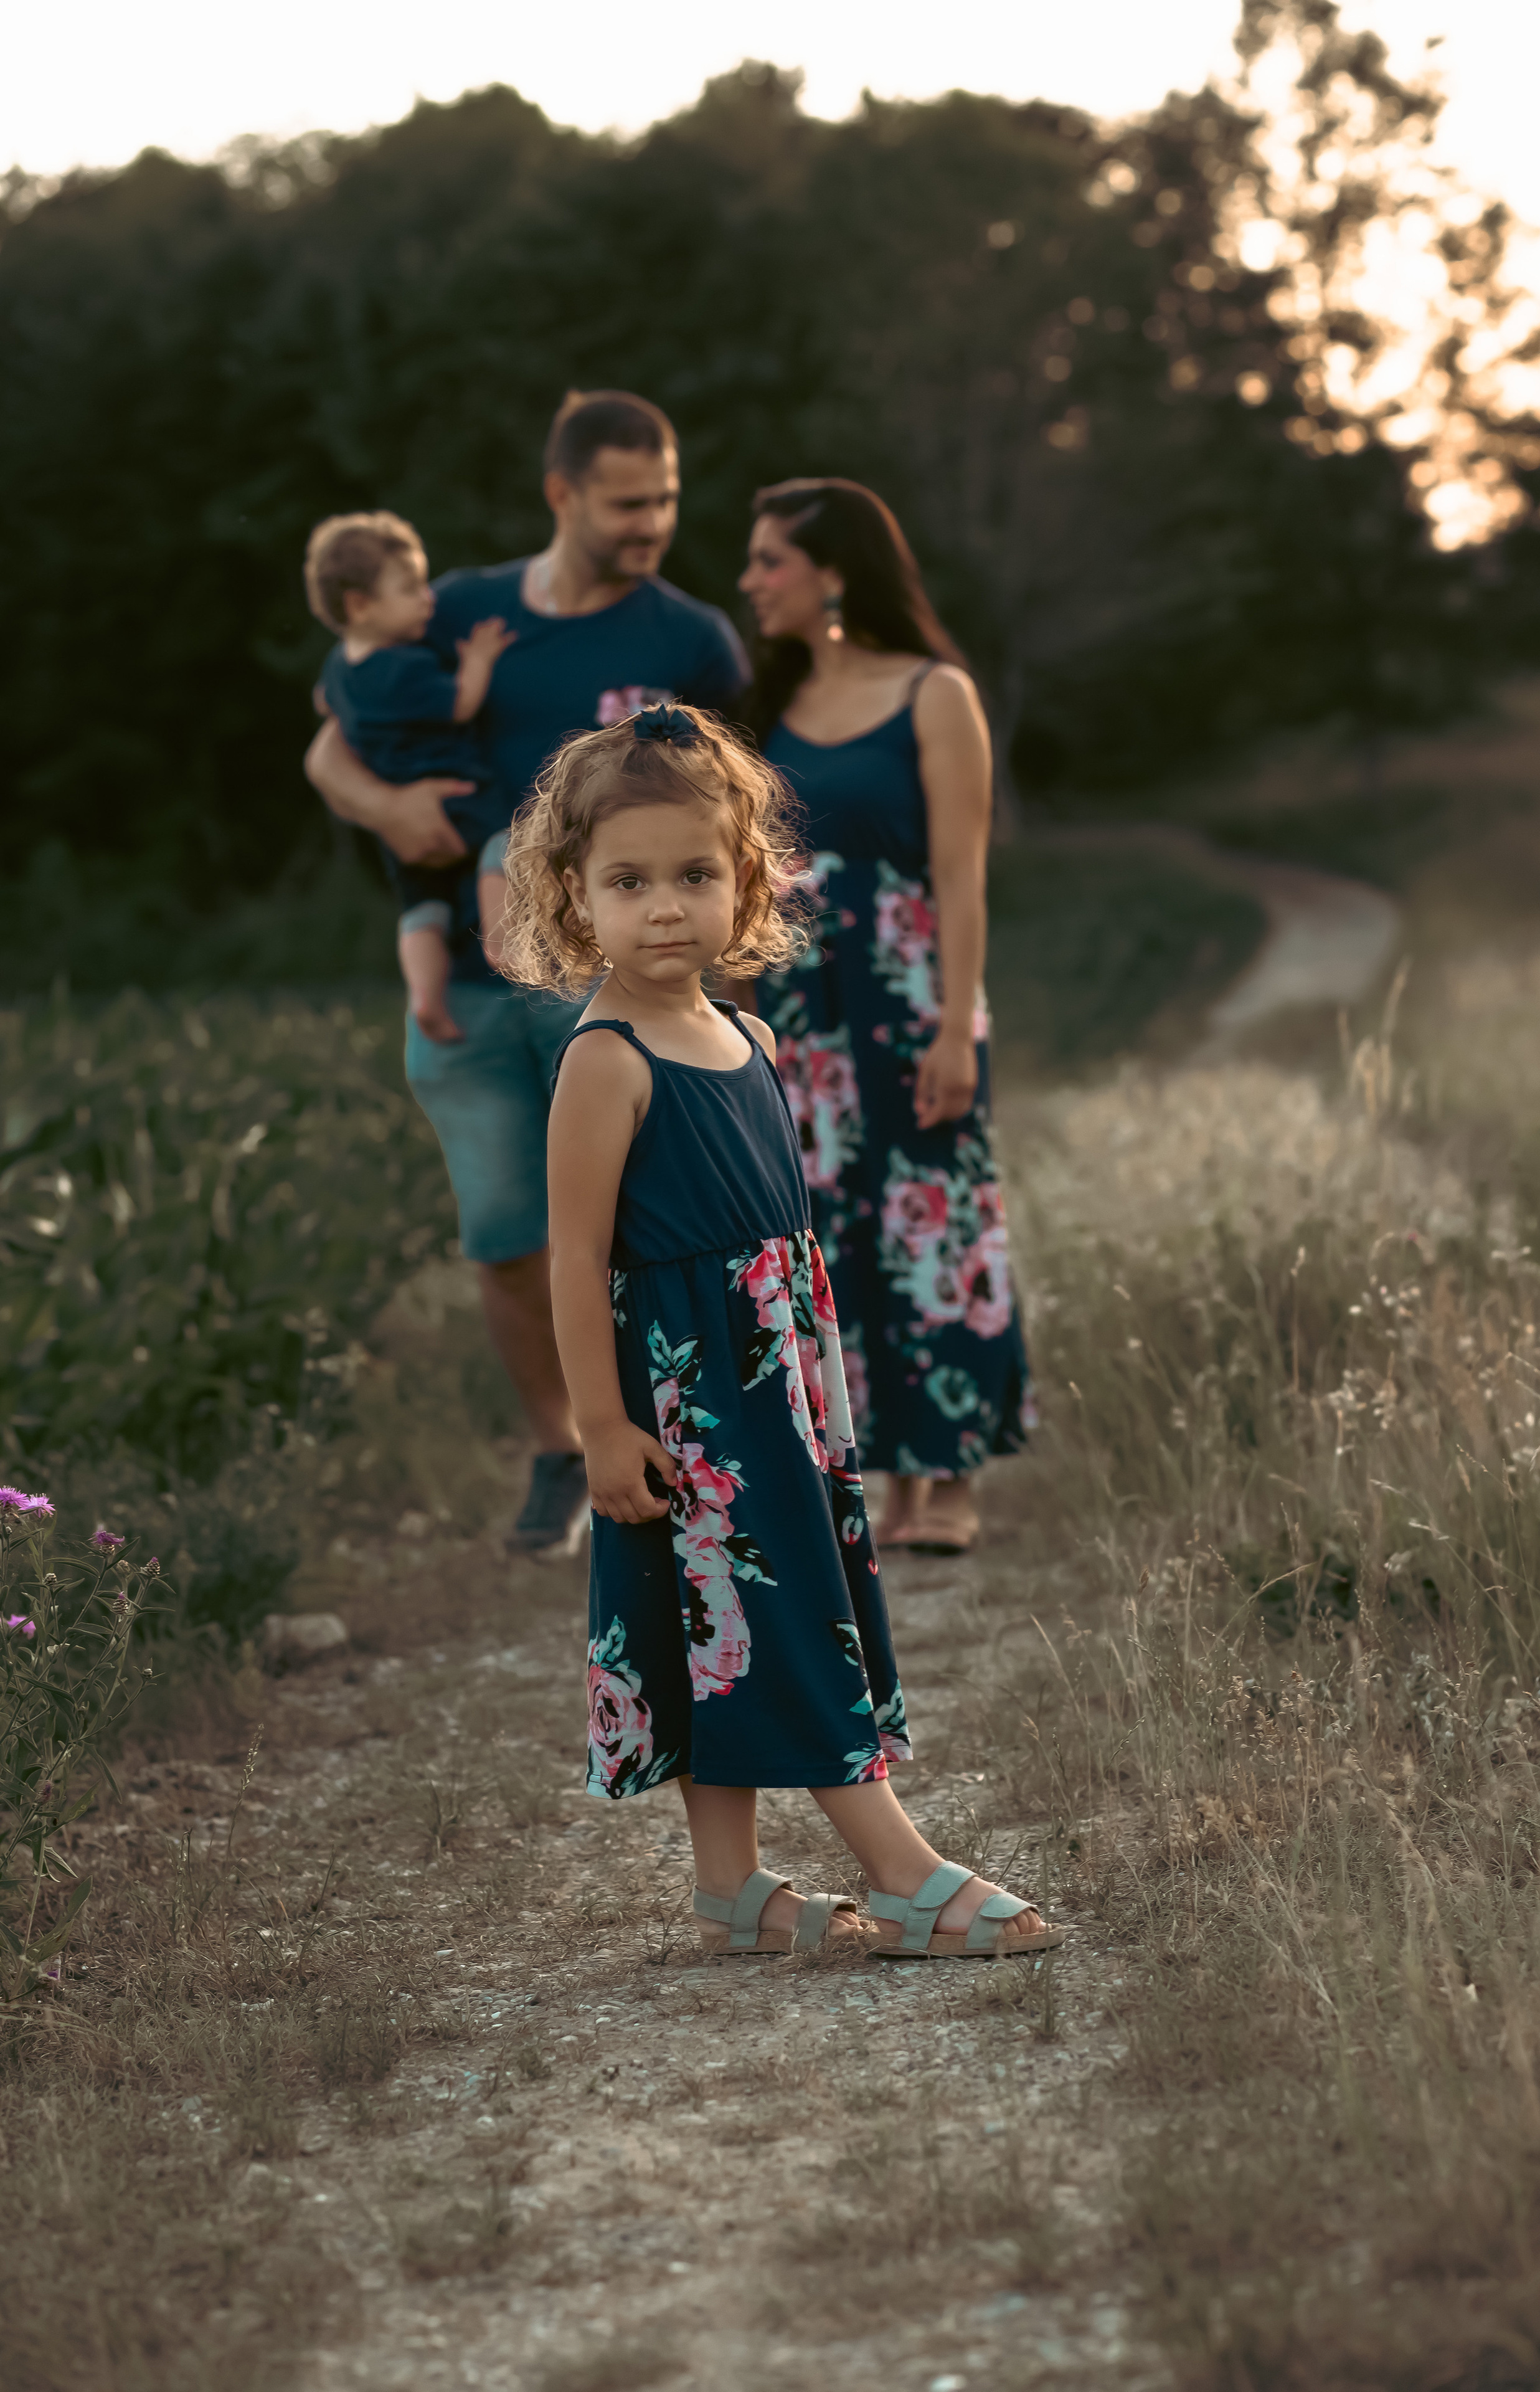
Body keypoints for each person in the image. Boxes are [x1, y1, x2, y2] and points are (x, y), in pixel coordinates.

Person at [495, 698, 1062, 1958]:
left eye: (694, 875)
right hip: (692, 1404)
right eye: (627, 881)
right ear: (573, 894)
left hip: (779, 1391)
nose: (662, 908)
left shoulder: (748, 1035)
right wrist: (598, 1428)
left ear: (744, 881)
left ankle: (729, 1884)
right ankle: (900, 1864)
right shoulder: (604, 1059)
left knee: (728, 1625)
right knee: (781, 1616)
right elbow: (577, 1258)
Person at [303, 391, 747, 1553]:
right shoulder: (458, 611)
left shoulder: (692, 642)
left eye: (667, 497)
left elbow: (734, 812)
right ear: (563, 495)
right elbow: (324, 736)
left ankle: (668, 1447)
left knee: (643, 1225)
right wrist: (389, 808)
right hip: (462, 975)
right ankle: (558, 1448)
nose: (653, 521)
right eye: (627, 501)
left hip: (611, 991)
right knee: (504, 1233)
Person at [739, 478, 1032, 1556]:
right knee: (829, 1232)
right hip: (799, 1007)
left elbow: (961, 874)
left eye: (770, 560)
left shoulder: (933, 692)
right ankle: (877, 1481)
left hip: (911, 996)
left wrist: (958, 1026)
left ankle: (948, 1475)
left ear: (834, 571)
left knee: (935, 1216)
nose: (751, 581)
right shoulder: (766, 708)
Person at [305, 509, 516, 1045]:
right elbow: (462, 704)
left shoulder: (339, 670)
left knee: (423, 906)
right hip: (455, 793)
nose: (428, 598)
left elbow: (327, 705)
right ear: (360, 605)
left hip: (399, 829)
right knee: (505, 841)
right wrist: (481, 659)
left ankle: (425, 997)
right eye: (410, 587)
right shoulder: (405, 666)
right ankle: (501, 939)